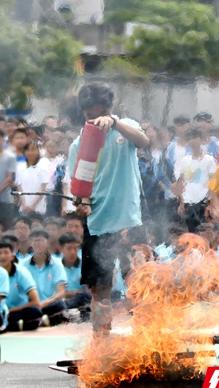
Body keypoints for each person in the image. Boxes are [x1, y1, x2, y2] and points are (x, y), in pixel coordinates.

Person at [67, 82, 149, 333]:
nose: (95, 119)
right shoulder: (77, 145)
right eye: (90, 115)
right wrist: (82, 205)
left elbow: (143, 141)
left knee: (138, 281)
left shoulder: (126, 129)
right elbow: (79, 190)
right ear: (83, 113)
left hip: (129, 219)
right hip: (97, 223)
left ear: (110, 109)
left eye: (101, 113)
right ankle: (101, 343)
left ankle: (145, 338)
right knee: (100, 289)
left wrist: (113, 122)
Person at [21, 229, 68, 326]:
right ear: (30, 243)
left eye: (41, 240)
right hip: (32, 306)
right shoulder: (23, 265)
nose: (37, 244)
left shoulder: (57, 263)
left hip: (49, 304)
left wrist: (44, 303)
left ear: (48, 243)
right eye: (34, 240)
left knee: (60, 305)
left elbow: (61, 293)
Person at [0, 240, 43, 332]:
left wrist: (11, 311)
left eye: (6, 252)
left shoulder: (22, 273)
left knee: (35, 311)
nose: (3, 256)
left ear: (12, 256)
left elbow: (36, 302)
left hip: (16, 312)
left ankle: (12, 325)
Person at [173, 129, 217, 232]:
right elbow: (182, 181)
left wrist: (212, 203)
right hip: (188, 202)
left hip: (203, 202)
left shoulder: (209, 160)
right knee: (191, 233)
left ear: (201, 139)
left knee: (205, 232)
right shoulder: (185, 161)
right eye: (190, 138)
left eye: (195, 137)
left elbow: (213, 182)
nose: (193, 141)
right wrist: (181, 203)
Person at [59, 232, 92, 321]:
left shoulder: (85, 265)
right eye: (69, 249)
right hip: (63, 302)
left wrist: (71, 293)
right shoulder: (56, 267)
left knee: (86, 296)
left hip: (81, 301)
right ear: (61, 249)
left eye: (76, 249)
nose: (73, 252)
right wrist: (75, 293)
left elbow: (90, 290)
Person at [16, 141, 48, 216]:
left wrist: (33, 206)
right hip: (23, 208)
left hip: (38, 209)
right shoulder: (20, 167)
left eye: (33, 150)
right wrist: (24, 204)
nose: (30, 153)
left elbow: (42, 190)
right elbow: (19, 187)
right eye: (28, 150)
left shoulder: (43, 166)